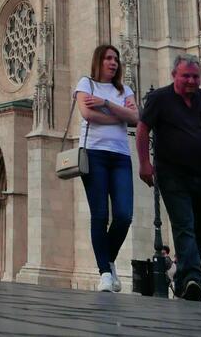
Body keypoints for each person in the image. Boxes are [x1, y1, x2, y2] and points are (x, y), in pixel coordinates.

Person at [136, 55, 201, 303]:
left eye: (195, 76)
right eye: (186, 75)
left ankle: (184, 277)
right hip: (172, 174)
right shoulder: (159, 99)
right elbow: (143, 128)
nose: (191, 80)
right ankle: (193, 280)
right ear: (174, 74)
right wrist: (145, 163)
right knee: (184, 224)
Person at [75, 44, 138, 292]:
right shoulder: (85, 84)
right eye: (108, 58)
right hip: (93, 154)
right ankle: (104, 273)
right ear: (98, 61)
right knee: (99, 215)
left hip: (121, 156)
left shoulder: (124, 89)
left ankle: (108, 259)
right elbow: (87, 114)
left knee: (124, 216)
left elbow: (135, 118)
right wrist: (119, 115)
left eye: (116, 59)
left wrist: (106, 104)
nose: (113, 62)